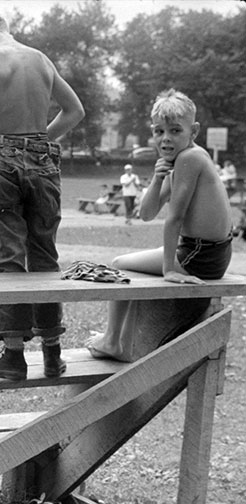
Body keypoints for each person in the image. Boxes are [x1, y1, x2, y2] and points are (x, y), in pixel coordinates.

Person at [0, 10, 85, 381]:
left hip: (1, 163)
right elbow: (75, 111)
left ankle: (12, 356)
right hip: (43, 158)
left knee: (5, 254)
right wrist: (39, 141)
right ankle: (52, 354)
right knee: (44, 252)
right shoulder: (41, 59)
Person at [88, 89, 233, 359]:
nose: (165, 138)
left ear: (194, 131)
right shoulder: (178, 160)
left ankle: (113, 341)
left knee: (119, 265)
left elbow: (174, 217)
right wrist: (157, 178)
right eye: (159, 131)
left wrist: (169, 270)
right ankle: (120, 342)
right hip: (206, 251)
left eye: (175, 131)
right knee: (128, 267)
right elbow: (146, 213)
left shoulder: (191, 158)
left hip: (199, 254)